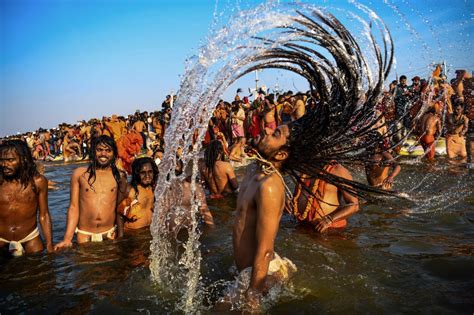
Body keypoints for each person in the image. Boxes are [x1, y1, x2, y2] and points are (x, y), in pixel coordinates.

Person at [55, 136, 127, 249]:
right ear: (93, 151)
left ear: (114, 153)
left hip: (109, 233)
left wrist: (121, 235)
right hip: (84, 234)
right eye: (99, 150)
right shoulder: (79, 174)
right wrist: (67, 239)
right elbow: (73, 208)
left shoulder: (120, 177)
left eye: (108, 150)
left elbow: (119, 208)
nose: (104, 154)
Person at [0, 140, 53, 256]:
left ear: (23, 160)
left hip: (30, 238)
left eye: (10, 160)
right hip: (2, 239)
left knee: (41, 271)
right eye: (2, 161)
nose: (5, 165)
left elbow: (44, 215)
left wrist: (49, 245)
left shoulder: (39, 182)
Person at [117, 157, 158, 232]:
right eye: (143, 173)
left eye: (150, 172)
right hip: (133, 234)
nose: (147, 175)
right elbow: (119, 214)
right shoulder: (129, 190)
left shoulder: (155, 189)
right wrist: (121, 237)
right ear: (136, 173)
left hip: (151, 231)